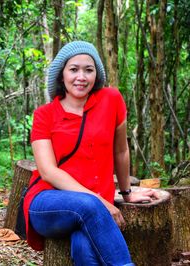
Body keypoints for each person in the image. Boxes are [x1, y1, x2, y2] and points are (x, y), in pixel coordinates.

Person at [23, 41, 159, 265]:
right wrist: (98, 202)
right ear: (62, 75)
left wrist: (126, 193)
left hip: (94, 210)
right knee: (89, 207)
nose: (81, 76)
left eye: (89, 69)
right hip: (47, 202)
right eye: (73, 69)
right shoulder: (44, 115)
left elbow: (121, 150)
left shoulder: (111, 99)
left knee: (84, 248)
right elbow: (48, 172)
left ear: (97, 74)